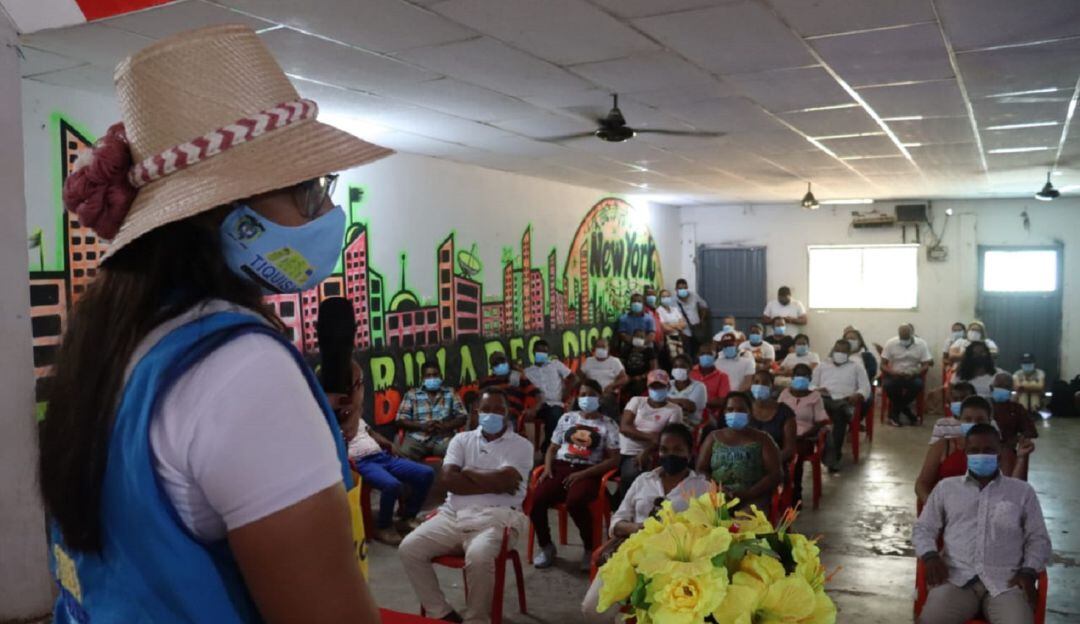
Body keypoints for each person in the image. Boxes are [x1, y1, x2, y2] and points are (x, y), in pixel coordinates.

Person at [37, 25, 391, 622]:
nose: (327, 211)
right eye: (309, 191)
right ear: (232, 211)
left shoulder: (113, 337)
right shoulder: (243, 370)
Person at [399, 389, 534, 624]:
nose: (492, 414)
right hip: (453, 515)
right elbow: (449, 480)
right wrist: (494, 481)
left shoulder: (521, 445)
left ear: (507, 413)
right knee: (409, 548)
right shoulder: (461, 440)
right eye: (486, 409)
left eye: (498, 409)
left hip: (497, 519)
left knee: (479, 557)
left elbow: (508, 481)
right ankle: (442, 613)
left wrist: (468, 472)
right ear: (476, 412)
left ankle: (476, 620)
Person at [913, 423, 1051, 624]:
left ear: (1000, 452)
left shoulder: (1022, 492)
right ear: (966, 453)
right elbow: (923, 528)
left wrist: (1029, 570)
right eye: (975, 450)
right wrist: (930, 555)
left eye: (988, 450)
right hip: (955, 579)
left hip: (1006, 583)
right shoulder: (946, 489)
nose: (981, 455)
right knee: (931, 620)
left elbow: (1038, 538)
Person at [580, 424, 711, 623]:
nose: (670, 455)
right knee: (593, 610)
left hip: (678, 562)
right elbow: (617, 521)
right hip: (632, 553)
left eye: (678, 450)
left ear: (690, 452)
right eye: (664, 449)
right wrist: (638, 528)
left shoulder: (703, 487)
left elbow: (709, 531)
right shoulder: (644, 480)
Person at [530, 380, 620, 569]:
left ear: (600, 397)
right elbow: (552, 448)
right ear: (577, 397)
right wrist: (547, 468)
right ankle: (546, 546)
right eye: (583, 394)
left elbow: (614, 459)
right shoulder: (567, 418)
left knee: (575, 501)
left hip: (588, 471)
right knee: (536, 500)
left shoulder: (608, 424)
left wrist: (583, 474)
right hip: (561, 467)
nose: (587, 398)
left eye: (592, 394)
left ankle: (589, 548)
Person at [345, 360, 436, 545]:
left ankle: (407, 516)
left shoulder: (356, 416)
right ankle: (384, 526)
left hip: (383, 457)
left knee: (426, 473)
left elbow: (371, 432)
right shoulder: (334, 420)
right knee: (392, 485)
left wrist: (390, 445)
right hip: (362, 462)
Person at [915, 396, 1024, 508]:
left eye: (980, 420)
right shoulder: (944, 446)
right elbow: (921, 484)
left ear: (989, 422)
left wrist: (1022, 458)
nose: (973, 424)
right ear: (960, 421)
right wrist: (935, 507)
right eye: (967, 419)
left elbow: (1010, 490)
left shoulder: (1002, 451)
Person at [697, 392, 783, 512]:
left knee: (744, 520)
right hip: (717, 496)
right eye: (730, 409)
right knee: (704, 517)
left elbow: (775, 474)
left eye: (741, 410)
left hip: (753, 497)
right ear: (724, 412)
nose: (735, 413)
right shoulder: (713, 437)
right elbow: (700, 469)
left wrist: (748, 493)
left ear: (750, 413)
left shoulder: (763, 439)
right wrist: (717, 488)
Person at [614, 370, 683, 508]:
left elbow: (668, 438)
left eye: (661, 386)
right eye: (653, 386)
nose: (657, 390)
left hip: (649, 452)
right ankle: (619, 505)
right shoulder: (637, 401)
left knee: (633, 474)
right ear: (648, 387)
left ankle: (625, 507)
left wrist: (647, 451)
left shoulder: (674, 410)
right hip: (622, 450)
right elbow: (624, 427)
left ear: (668, 387)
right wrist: (651, 436)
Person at [811, 339, 870, 473]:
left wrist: (858, 395)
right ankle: (831, 456)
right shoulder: (822, 366)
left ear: (849, 353)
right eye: (837, 350)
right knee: (837, 411)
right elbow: (812, 385)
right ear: (833, 350)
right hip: (824, 399)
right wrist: (818, 389)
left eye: (843, 351)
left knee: (840, 415)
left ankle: (833, 456)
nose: (840, 353)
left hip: (846, 399)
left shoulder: (856, 367)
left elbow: (865, 388)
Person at [779, 364, 830, 505]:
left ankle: (796, 492)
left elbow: (821, 421)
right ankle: (779, 489)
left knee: (795, 455)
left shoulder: (815, 397)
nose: (801, 378)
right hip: (784, 435)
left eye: (804, 376)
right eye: (798, 375)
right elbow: (778, 414)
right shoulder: (784, 394)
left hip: (804, 438)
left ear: (810, 379)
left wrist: (805, 435)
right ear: (792, 377)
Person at [397, 361, 469, 460]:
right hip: (417, 438)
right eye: (428, 376)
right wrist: (422, 426)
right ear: (422, 379)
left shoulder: (451, 393)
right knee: (403, 455)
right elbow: (400, 420)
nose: (432, 378)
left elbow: (463, 417)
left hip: (444, 439)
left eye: (435, 375)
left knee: (459, 454)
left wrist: (446, 426)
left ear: (441, 376)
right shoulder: (411, 394)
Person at [524, 339, 575, 453]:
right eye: (539, 351)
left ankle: (547, 448)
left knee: (554, 415)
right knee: (551, 416)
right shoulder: (527, 371)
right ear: (533, 351)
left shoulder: (555, 365)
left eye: (544, 352)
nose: (542, 354)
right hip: (538, 406)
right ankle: (549, 449)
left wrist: (566, 393)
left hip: (555, 403)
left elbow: (573, 377)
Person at [881, 323, 934, 427]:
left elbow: (926, 364)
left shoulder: (921, 344)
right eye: (901, 335)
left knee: (918, 385)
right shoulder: (891, 343)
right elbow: (882, 364)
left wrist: (916, 372)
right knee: (888, 385)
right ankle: (908, 414)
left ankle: (894, 414)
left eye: (906, 334)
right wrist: (892, 372)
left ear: (911, 333)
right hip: (895, 375)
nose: (904, 337)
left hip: (912, 375)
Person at [478, 350, 540, 430]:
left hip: (512, 413)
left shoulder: (518, 377)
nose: (500, 364)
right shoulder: (486, 382)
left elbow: (538, 394)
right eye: (496, 363)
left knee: (505, 422)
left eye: (502, 361)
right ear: (492, 367)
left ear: (507, 362)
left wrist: (534, 409)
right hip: (492, 413)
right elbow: (479, 400)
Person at [748, 371, 797, 465]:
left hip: (774, 464)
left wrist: (769, 462)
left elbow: (789, 449)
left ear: (772, 387)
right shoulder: (744, 409)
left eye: (765, 383)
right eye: (756, 382)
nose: (760, 386)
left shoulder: (785, 412)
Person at [579, 338, 629, 418]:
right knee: (579, 401)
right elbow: (579, 376)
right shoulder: (588, 361)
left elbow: (624, 378)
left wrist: (612, 385)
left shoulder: (614, 361)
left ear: (608, 348)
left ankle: (608, 422)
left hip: (606, 393)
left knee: (606, 401)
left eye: (603, 347)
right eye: (598, 347)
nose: (600, 349)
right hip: (591, 394)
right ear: (594, 348)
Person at [990, 373, 1039, 450]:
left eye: (1006, 387)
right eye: (998, 386)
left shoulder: (1016, 408)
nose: (1002, 389)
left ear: (1011, 389)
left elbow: (1031, 431)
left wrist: (1016, 439)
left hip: (1007, 450)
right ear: (992, 387)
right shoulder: (984, 405)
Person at [690, 343, 732, 422]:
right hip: (689, 413)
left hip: (712, 417)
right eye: (703, 354)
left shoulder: (722, 377)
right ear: (698, 356)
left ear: (715, 356)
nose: (706, 356)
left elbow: (722, 401)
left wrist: (697, 402)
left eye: (709, 354)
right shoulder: (689, 373)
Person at [668, 353, 708, 427]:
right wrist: (681, 402)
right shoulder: (667, 383)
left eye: (682, 366)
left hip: (690, 425)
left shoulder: (699, 386)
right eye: (675, 366)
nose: (678, 369)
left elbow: (689, 407)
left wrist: (666, 400)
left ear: (690, 369)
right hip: (668, 423)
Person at [674, 278, 710, 357]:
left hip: (696, 330)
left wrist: (702, 320)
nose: (683, 290)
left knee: (698, 353)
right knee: (686, 354)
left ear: (687, 288)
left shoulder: (694, 296)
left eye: (684, 288)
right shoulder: (673, 301)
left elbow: (704, 306)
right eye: (680, 288)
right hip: (683, 332)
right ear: (676, 289)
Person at [622, 328, 658, 400]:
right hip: (627, 377)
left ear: (645, 339)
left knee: (637, 386)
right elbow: (621, 364)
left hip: (642, 378)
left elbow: (654, 369)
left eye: (641, 337)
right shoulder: (627, 349)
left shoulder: (649, 351)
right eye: (637, 336)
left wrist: (641, 377)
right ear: (632, 337)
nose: (638, 338)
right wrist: (625, 376)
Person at [656, 288, 688, 359]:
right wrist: (678, 326)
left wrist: (670, 324)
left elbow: (684, 324)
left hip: (679, 337)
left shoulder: (674, 309)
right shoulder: (659, 310)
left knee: (681, 358)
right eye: (663, 297)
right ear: (660, 299)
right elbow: (665, 328)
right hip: (667, 338)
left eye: (668, 296)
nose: (666, 298)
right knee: (673, 358)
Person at [642, 285, 665, 351]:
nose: (652, 297)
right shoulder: (642, 311)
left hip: (658, 343)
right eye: (649, 295)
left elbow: (659, 326)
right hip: (648, 344)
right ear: (644, 297)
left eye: (653, 295)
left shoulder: (655, 311)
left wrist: (661, 339)